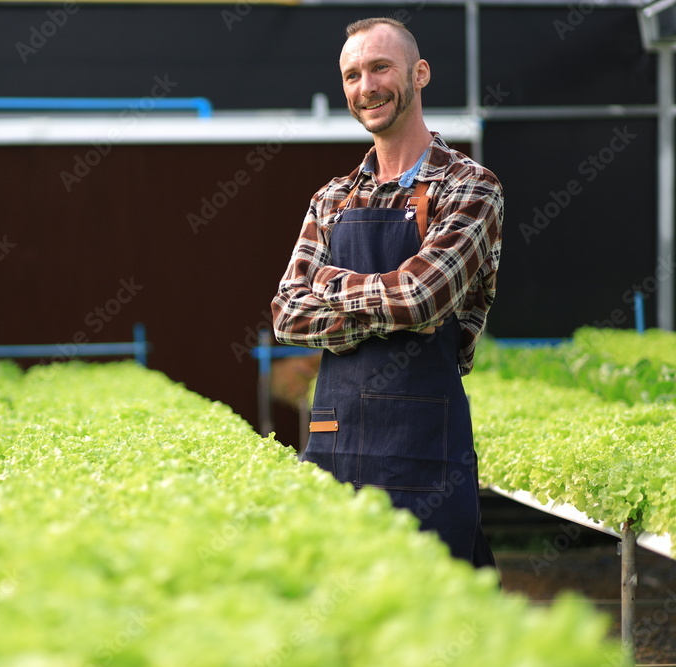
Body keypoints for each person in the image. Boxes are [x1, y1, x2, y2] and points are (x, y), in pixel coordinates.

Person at [270, 17, 503, 568]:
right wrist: (387, 303)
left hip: (425, 444)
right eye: (352, 75)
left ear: (419, 74)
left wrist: (331, 284)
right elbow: (286, 313)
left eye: (380, 67)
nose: (365, 86)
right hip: (335, 435)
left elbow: (423, 299)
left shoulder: (470, 186)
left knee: (436, 613)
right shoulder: (332, 197)